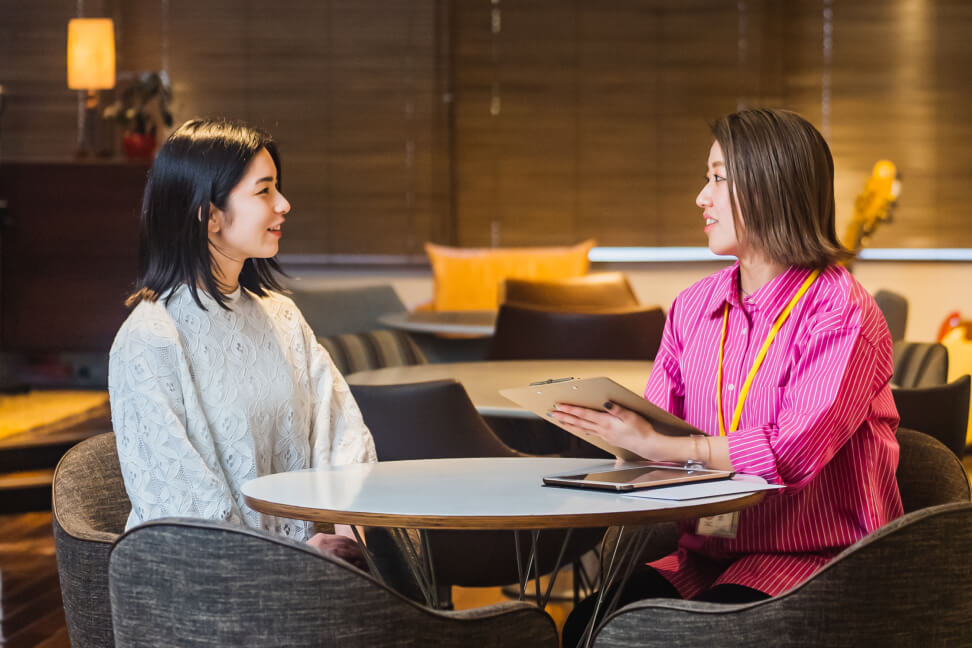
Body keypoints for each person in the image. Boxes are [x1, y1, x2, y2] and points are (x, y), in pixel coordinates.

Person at [557, 108, 902, 644]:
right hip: (707, 556)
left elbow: (791, 454)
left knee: (668, 637)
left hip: (815, 564)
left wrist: (659, 446)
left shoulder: (842, 312)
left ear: (771, 188)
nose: (702, 196)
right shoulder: (692, 306)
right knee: (588, 625)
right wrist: (624, 438)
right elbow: (657, 427)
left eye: (718, 178)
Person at [108, 119, 376, 567]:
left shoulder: (281, 315)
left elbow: (342, 431)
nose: (284, 204)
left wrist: (351, 536)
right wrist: (290, 559)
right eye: (264, 191)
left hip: (310, 571)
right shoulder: (149, 339)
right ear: (209, 214)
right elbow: (182, 511)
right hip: (202, 581)